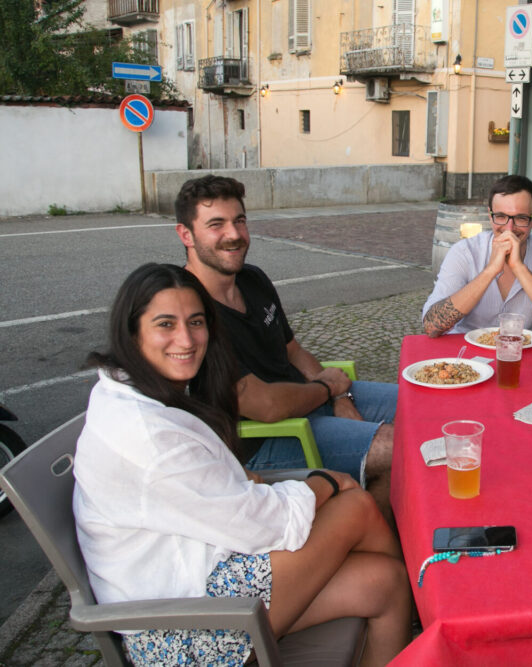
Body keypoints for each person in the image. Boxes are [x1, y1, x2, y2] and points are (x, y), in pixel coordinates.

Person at [73, 263, 411, 666]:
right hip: (179, 630)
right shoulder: (147, 434)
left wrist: (268, 485)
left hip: (204, 573)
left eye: (195, 322)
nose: (186, 338)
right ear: (132, 332)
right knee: (354, 505)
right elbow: (260, 526)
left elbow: (221, 494)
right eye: (166, 324)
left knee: (388, 582)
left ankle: (424, 614)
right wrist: (324, 484)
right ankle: (435, 602)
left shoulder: (146, 393)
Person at [173, 175, 396, 517]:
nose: (233, 234)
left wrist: (340, 396)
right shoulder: (188, 308)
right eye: (216, 224)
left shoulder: (253, 279)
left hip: (310, 401)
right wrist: (327, 388)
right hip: (264, 439)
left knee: (421, 403)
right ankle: (375, 543)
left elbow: (292, 350)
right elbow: (266, 407)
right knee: (401, 449)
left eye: (240, 221)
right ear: (185, 234)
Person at [422, 174, 532, 337]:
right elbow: (431, 326)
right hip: (466, 354)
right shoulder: (464, 252)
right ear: (490, 216)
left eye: (521, 218)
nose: (509, 228)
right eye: (500, 216)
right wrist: (490, 270)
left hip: (523, 353)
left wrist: (519, 268)